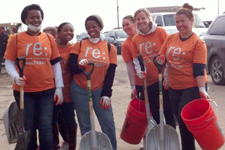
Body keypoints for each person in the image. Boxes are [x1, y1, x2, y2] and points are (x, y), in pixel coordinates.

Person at [4, 4, 63, 150]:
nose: (36, 20)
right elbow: (9, 62)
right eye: (32, 17)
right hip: (24, 91)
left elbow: (55, 64)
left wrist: (59, 88)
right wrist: (16, 77)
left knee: (45, 125)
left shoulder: (49, 39)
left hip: (47, 89)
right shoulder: (16, 39)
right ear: (25, 19)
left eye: (38, 17)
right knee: (28, 126)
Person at [156, 3, 209, 150]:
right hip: (174, 85)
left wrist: (202, 90)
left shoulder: (198, 42)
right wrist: (160, 60)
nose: (180, 25)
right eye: (177, 22)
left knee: (183, 118)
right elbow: (161, 56)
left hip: (191, 85)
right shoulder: (171, 38)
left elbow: (199, 69)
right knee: (181, 120)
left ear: (191, 20)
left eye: (183, 21)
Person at [68, 14, 117, 150]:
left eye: (94, 26)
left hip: (100, 90)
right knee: (86, 123)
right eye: (88, 27)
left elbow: (111, 72)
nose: (91, 30)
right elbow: (71, 68)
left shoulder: (109, 47)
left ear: (100, 27)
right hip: (80, 89)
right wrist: (80, 67)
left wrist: (107, 93)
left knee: (107, 123)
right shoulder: (80, 44)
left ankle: (111, 147)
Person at [132, 8, 176, 127]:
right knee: (155, 114)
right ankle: (159, 141)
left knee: (168, 112)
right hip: (149, 81)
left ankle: (171, 141)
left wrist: (167, 75)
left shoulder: (160, 32)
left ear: (149, 19)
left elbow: (168, 53)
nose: (141, 21)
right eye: (138, 19)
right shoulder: (135, 39)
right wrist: (140, 71)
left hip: (164, 79)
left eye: (143, 18)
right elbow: (136, 59)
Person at [52, 22, 77, 150]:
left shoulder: (73, 48)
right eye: (65, 30)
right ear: (58, 33)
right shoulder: (52, 47)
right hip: (50, 90)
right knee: (53, 120)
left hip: (67, 89)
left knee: (70, 121)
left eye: (71, 30)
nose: (69, 33)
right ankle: (55, 145)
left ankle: (70, 145)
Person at [121, 15, 143, 100]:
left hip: (154, 79)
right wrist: (133, 86)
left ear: (135, 24)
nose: (125, 27)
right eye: (123, 26)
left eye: (127, 24)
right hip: (140, 82)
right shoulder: (125, 45)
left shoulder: (144, 37)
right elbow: (129, 67)